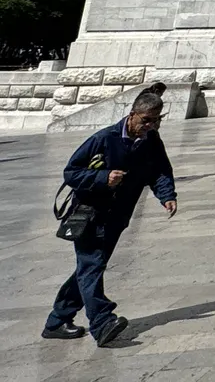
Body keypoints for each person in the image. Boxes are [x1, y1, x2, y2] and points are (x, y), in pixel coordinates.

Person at [42, 90, 177, 346]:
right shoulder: (104, 138)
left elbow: (160, 170)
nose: (150, 126)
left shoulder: (151, 141)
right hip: (90, 215)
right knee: (91, 266)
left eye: (156, 120)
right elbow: (72, 172)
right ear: (132, 114)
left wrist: (167, 195)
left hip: (117, 217)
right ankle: (102, 322)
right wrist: (104, 177)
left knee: (90, 268)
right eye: (146, 120)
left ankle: (57, 320)